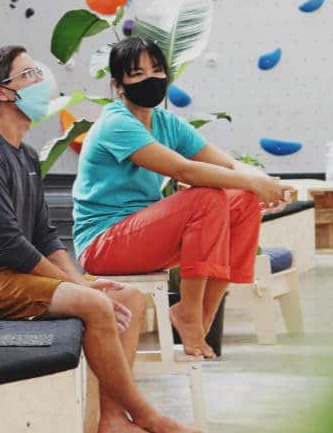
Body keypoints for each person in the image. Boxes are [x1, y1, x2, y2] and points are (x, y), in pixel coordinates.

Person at [0, 44, 208, 433]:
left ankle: (114, 423)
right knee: (96, 305)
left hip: (12, 275)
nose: (41, 81)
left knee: (124, 297)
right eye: (28, 76)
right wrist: (80, 290)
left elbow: (43, 234)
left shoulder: (24, 153)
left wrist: (83, 282)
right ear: (1, 93)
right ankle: (147, 415)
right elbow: (8, 244)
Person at [71, 35, 290, 360]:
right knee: (206, 198)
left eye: (157, 69)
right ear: (118, 85)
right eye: (138, 74)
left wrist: (263, 182)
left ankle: (201, 316)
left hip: (145, 238)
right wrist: (254, 182)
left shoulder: (165, 122)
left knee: (242, 199)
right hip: (104, 244)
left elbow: (227, 163)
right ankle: (188, 310)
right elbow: (185, 172)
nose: (151, 79)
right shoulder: (116, 124)